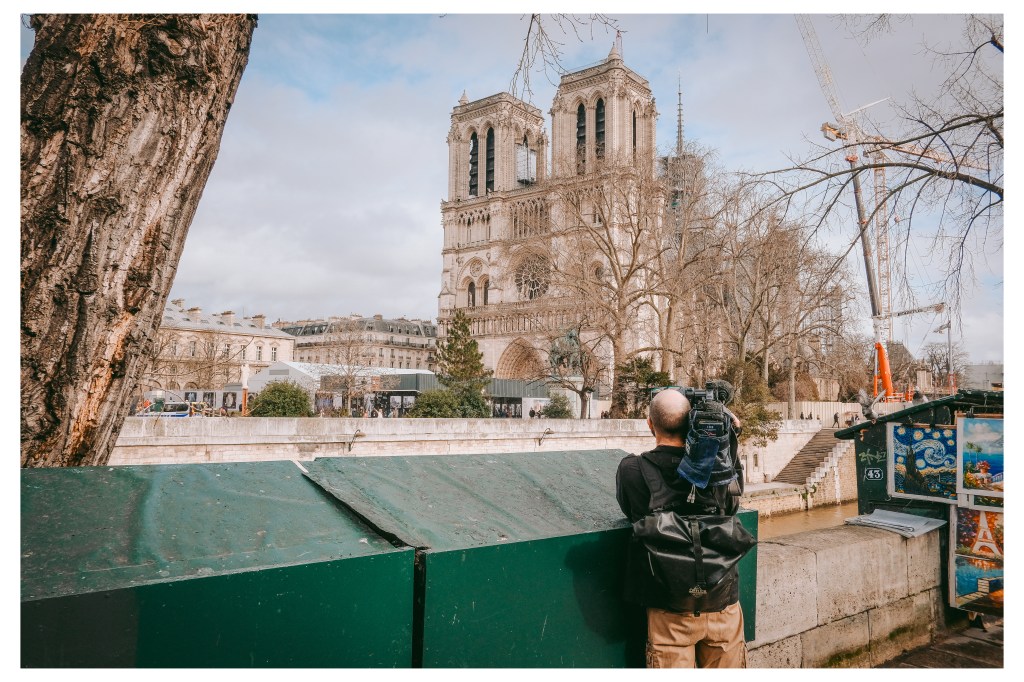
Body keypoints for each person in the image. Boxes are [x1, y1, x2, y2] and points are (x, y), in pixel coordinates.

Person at [616, 389, 746, 668]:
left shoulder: (632, 470)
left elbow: (630, 510)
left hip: (669, 603)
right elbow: (733, 503)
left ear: (650, 424)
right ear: (690, 421)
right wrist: (729, 437)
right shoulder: (718, 471)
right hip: (721, 597)